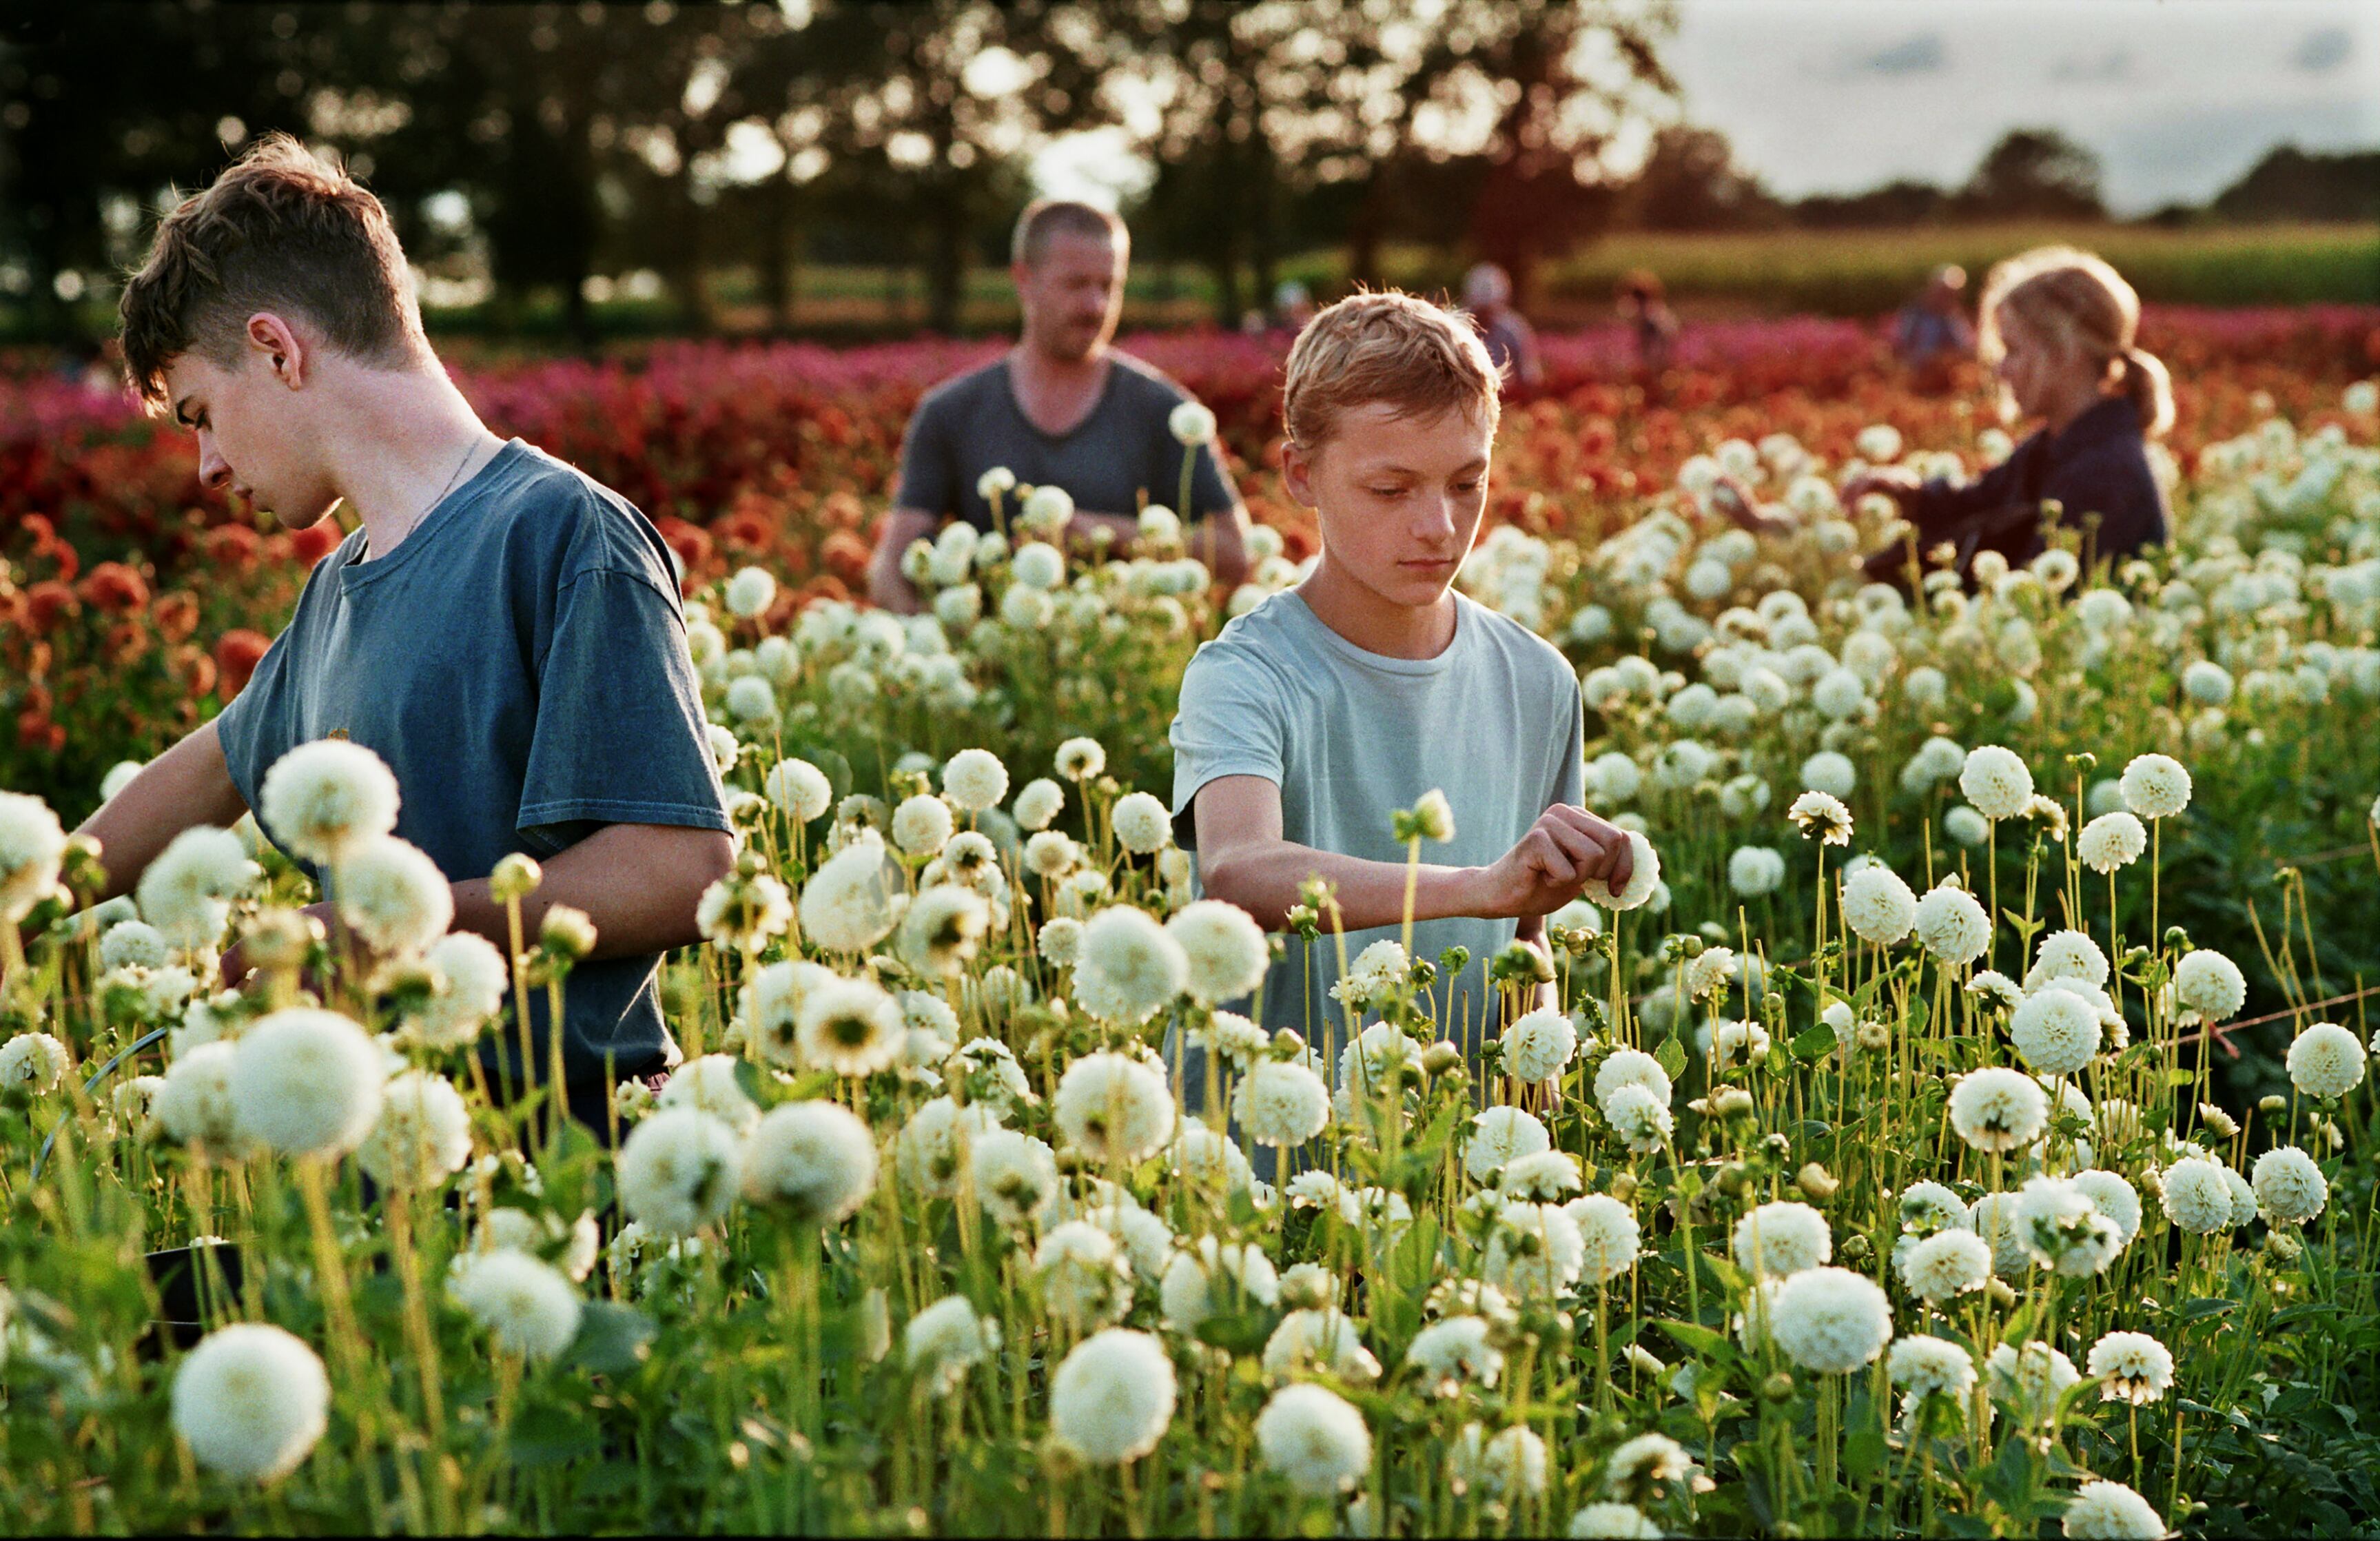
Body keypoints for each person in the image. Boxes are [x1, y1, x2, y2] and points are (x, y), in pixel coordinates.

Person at [85, 135, 734, 1126]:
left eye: (201, 414)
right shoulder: (336, 593)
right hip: (386, 1162)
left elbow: (678, 870)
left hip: (569, 1158)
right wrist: (19, 898)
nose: (208, 465)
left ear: (275, 347)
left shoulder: (559, 532)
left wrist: (386, 931)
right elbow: (213, 768)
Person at [1171, 290, 1634, 1070]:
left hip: (1455, 1164)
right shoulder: (1244, 672)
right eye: (1390, 490)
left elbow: (1525, 943)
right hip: (1262, 1158)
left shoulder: (1538, 679)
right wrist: (1478, 885)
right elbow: (1237, 868)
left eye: (1465, 484)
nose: (1439, 527)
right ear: (1300, 474)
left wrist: (1534, 1113)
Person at [868, 199, 1251, 613]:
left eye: (1109, 286)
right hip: (993, 662)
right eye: (1076, 284)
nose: (1096, 306)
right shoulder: (950, 413)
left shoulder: (1165, 411)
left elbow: (1234, 552)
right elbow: (891, 567)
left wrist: (1100, 532)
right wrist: (938, 642)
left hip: (1124, 661)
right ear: (1024, 280)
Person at [1718, 246, 2173, 585]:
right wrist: (1904, 493)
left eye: (2013, 350)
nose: (2000, 367)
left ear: (2066, 352)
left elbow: (2037, 606)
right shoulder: (2059, 447)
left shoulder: (2105, 474)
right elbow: (1973, 506)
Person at [1892, 265, 1976, 391]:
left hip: (1945, 380)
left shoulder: (1953, 318)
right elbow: (1902, 345)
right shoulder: (1915, 314)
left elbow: (1964, 348)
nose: (1948, 298)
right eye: (1944, 292)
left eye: (1953, 294)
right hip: (1915, 376)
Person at [1463, 261, 1543, 388]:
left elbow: (1530, 377)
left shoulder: (1515, 329)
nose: (1484, 318)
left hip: (1506, 396)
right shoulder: (1459, 328)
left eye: (1489, 311)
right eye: (1480, 312)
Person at [1617, 269, 1678, 379]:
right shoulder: (1659, 310)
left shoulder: (1650, 314)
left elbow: (1653, 340)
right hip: (1662, 356)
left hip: (1655, 357)